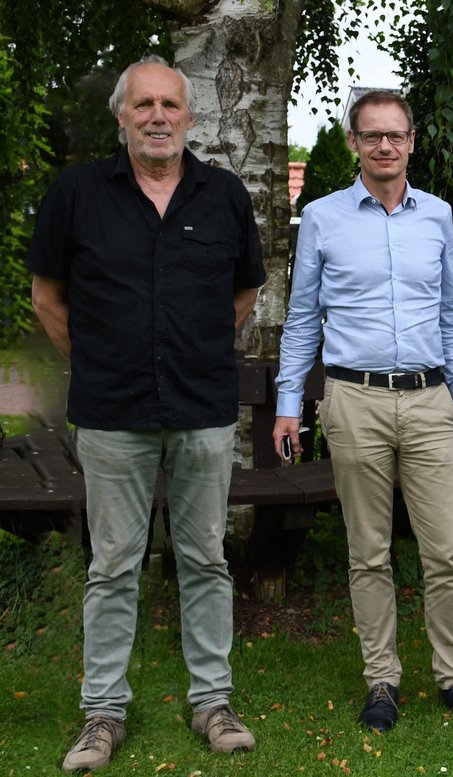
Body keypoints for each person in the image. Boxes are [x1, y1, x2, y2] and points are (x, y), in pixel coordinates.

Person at [26, 55, 263, 772]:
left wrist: (193, 349)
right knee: (112, 566)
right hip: (112, 412)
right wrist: (101, 358)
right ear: (122, 116)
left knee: (206, 559)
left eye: (170, 105)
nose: (157, 116)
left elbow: (244, 294)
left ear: (189, 117)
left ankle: (213, 702)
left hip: (202, 409)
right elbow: (47, 297)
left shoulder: (224, 195)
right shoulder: (77, 193)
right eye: (143, 105)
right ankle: (103, 713)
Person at [273, 90, 453, 731]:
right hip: (354, 400)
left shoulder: (438, 216)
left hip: (429, 400)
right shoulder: (322, 217)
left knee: (448, 550)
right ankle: (382, 680)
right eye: (371, 135)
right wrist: (289, 403)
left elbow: (450, 312)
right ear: (354, 142)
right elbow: (302, 318)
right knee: (368, 551)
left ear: (412, 141)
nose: (384, 146)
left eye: (395, 135)